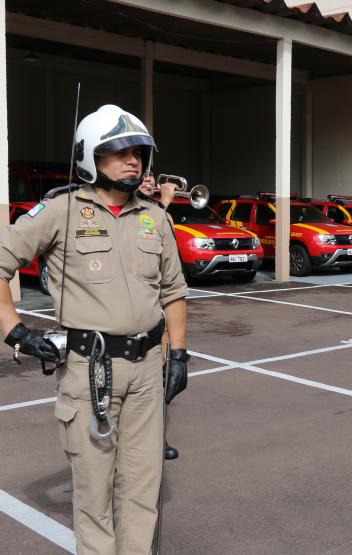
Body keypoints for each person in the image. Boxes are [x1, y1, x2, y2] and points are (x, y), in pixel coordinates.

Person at [0, 104, 188, 554]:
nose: (133, 161)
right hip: (89, 371)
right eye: (120, 151)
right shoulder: (60, 210)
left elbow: (174, 291)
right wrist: (16, 331)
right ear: (89, 155)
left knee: (143, 490)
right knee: (94, 495)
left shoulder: (154, 217)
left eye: (139, 152)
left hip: (148, 371)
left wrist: (179, 355)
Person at [140, 171, 181, 461]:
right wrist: (164, 202)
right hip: (133, 313)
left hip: (157, 311)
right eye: (143, 177)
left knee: (160, 379)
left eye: (151, 177)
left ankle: (157, 439)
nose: (149, 181)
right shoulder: (145, 212)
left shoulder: (156, 213)